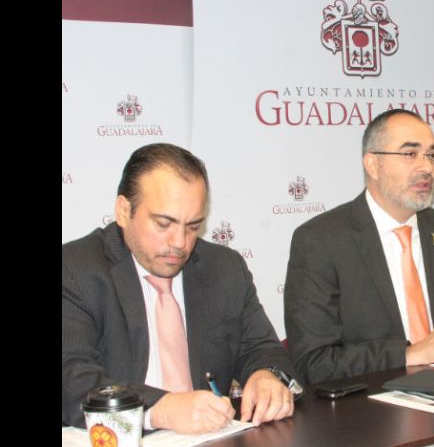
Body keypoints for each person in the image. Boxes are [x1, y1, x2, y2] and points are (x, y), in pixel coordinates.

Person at [62, 143, 301, 434]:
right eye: (164, 224)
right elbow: (71, 378)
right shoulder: (74, 270)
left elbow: (262, 348)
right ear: (124, 211)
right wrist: (161, 408)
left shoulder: (224, 268)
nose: (180, 242)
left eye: (193, 226)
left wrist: (267, 376)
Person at [283, 109, 434, 385]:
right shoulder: (320, 240)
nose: (427, 168)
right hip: (370, 402)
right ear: (373, 164)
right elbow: (314, 362)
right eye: (410, 154)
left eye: (432, 155)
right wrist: (410, 354)